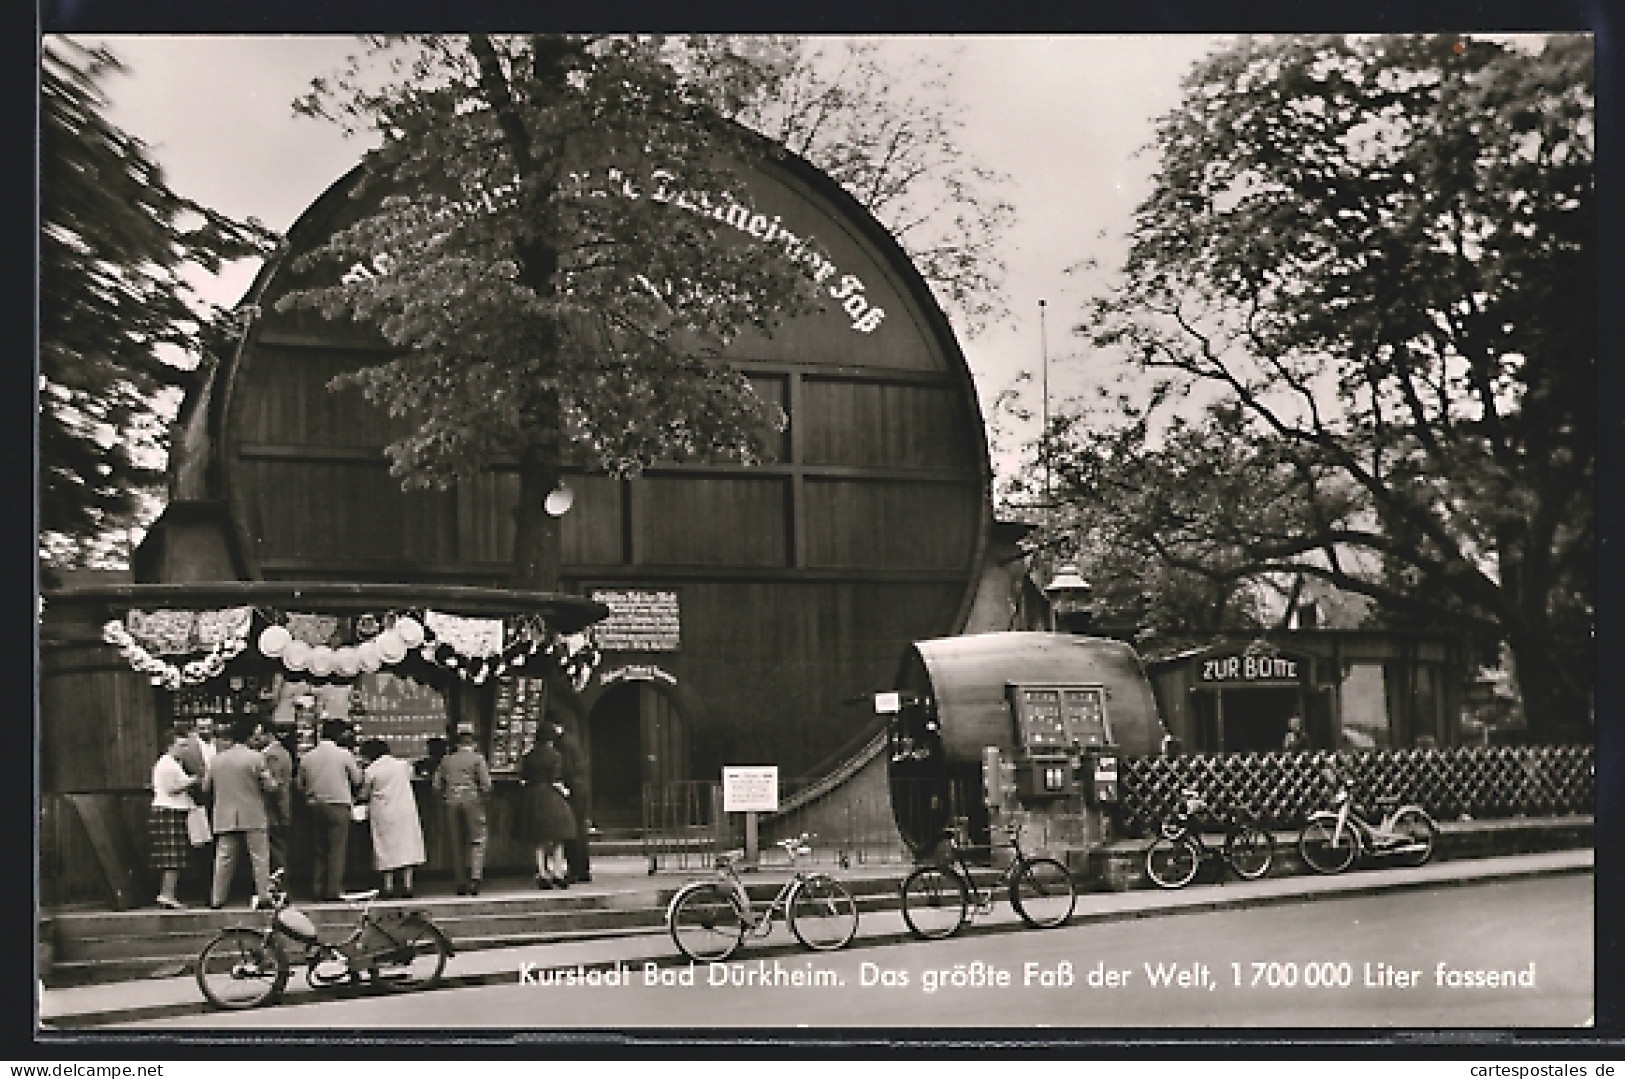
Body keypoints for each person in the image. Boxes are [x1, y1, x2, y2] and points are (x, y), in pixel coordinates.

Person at [202, 716, 279, 909]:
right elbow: (270, 786)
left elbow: (205, 787)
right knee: (260, 858)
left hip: (224, 814)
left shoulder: (216, 760)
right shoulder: (256, 758)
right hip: (252, 813)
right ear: (249, 738)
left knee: (223, 858)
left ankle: (217, 898)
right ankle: (264, 896)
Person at [298, 718, 363, 900]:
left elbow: (299, 785)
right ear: (339, 735)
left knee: (318, 849)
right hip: (338, 804)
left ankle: (317, 890)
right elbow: (357, 779)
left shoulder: (307, 757)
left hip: (314, 805)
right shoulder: (344, 755)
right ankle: (333, 890)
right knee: (336, 849)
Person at [358, 738, 426, 898]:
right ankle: (407, 885)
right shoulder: (402, 765)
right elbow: (413, 776)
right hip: (404, 810)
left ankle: (388, 886)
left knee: (384, 848)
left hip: (382, 811)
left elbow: (364, 793)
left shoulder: (371, 770)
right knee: (407, 846)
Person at [149, 723, 202, 909]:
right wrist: (193, 780)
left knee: (174, 856)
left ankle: (167, 893)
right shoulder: (167, 764)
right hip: (168, 809)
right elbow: (172, 788)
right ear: (170, 746)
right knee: (172, 857)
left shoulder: (172, 763)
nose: (185, 749)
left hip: (172, 810)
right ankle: (167, 894)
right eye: (182, 746)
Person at [434, 728, 491, 896]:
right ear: (472, 743)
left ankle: (460, 881)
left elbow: (436, 785)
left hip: (452, 800)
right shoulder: (477, 758)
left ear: (457, 745)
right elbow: (487, 785)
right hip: (473, 800)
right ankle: (475, 879)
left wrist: (445, 796)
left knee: (456, 842)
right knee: (478, 839)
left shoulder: (446, 760)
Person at [520, 731, 577, 890]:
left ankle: (542, 873)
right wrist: (565, 791)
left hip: (533, 797)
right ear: (550, 740)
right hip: (551, 798)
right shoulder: (555, 755)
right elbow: (555, 779)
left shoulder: (529, 756)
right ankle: (558, 873)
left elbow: (523, 779)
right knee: (559, 837)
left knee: (539, 840)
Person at [550, 719, 591, 884]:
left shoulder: (563, 744)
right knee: (579, 829)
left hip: (571, 790)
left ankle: (575, 869)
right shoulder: (571, 741)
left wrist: (560, 784)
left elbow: (565, 768)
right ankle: (582, 869)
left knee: (571, 830)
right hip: (579, 788)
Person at [257, 720, 294, 873]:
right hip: (280, 807)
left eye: (259, 736)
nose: (256, 739)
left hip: (272, 809)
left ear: (268, 735)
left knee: (275, 849)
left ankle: (278, 887)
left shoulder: (271, 755)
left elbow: (274, 785)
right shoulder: (283, 752)